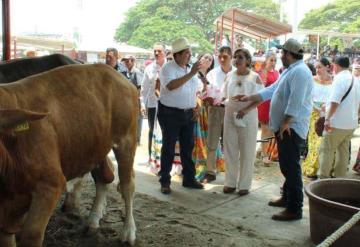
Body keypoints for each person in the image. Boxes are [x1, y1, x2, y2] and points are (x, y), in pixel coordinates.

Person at [237, 39, 313, 221]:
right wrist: (249, 97)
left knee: (291, 167)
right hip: (285, 127)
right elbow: (271, 90)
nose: (280, 56)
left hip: (291, 128)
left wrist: (286, 123)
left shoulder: (301, 72)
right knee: (286, 165)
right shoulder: (290, 70)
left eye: (282, 53)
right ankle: (287, 197)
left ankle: (295, 208)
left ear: (289, 54)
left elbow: (296, 101)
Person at [158, 37, 205, 194]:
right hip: (170, 113)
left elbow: (196, 90)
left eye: (189, 53)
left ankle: (189, 179)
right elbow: (171, 86)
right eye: (185, 53)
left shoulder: (190, 69)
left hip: (188, 113)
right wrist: (191, 73)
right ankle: (165, 181)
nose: (189, 56)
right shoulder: (167, 68)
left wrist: (196, 105)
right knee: (169, 148)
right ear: (176, 55)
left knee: (188, 147)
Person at [222, 48, 263, 196]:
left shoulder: (255, 77)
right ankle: (230, 183)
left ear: (248, 61)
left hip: (248, 115)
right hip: (230, 114)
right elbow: (223, 95)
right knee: (230, 148)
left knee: (247, 150)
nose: (237, 60)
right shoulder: (229, 75)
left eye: (240, 57)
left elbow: (261, 98)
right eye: (235, 57)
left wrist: (246, 109)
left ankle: (244, 185)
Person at [318, 56, 359, 178]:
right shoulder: (355, 79)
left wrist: (327, 119)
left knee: (327, 151)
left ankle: (323, 180)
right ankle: (339, 180)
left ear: (336, 65)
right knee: (343, 153)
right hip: (350, 123)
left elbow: (335, 102)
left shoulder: (340, 79)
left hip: (337, 123)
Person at [201, 46, 234, 183]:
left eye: (225, 56)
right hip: (215, 110)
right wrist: (206, 97)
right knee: (212, 141)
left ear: (231, 57)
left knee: (230, 143)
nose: (221, 59)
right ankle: (210, 171)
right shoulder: (212, 74)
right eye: (219, 56)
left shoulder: (237, 73)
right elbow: (205, 91)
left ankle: (231, 173)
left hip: (231, 110)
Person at [192, 53, 225, 180]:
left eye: (210, 59)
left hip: (208, 110)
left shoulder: (211, 76)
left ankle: (210, 166)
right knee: (198, 139)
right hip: (198, 109)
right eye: (205, 57)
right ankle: (197, 165)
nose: (207, 60)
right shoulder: (193, 74)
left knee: (210, 139)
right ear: (199, 58)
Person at [302, 58, 332, 178]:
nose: (317, 70)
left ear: (327, 67)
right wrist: (316, 108)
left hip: (328, 114)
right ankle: (312, 168)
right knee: (314, 142)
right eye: (316, 67)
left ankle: (323, 167)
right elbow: (307, 97)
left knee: (324, 142)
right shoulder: (312, 80)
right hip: (314, 114)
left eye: (319, 67)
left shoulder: (333, 81)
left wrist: (327, 107)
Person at [141, 43, 166, 163]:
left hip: (168, 104)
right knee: (152, 130)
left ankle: (166, 158)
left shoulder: (170, 67)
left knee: (166, 131)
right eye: (155, 51)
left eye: (159, 51)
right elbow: (144, 89)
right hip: (152, 104)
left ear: (164, 52)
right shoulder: (149, 68)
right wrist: (142, 104)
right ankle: (151, 158)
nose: (156, 53)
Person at [256, 51, 279, 162]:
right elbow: (260, 87)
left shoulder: (277, 73)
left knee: (271, 130)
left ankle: (262, 149)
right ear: (266, 61)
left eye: (275, 60)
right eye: (271, 60)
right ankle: (265, 154)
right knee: (265, 129)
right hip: (264, 103)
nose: (273, 62)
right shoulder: (262, 72)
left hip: (274, 103)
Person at [123, 55, 144, 145]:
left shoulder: (136, 72)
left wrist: (137, 100)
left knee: (138, 120)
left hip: (136, 100)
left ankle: (137, 140)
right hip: (128, 101)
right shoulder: (125, 72)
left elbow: (139, 88)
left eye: (128, 61)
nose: (126, 63)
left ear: (133, 61)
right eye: (125, 61)